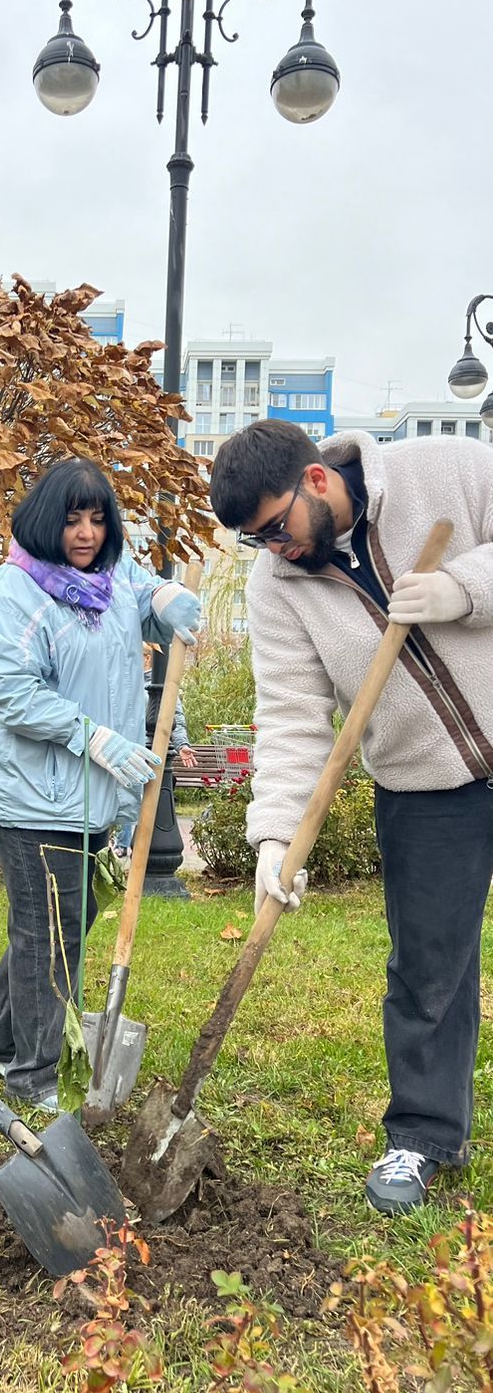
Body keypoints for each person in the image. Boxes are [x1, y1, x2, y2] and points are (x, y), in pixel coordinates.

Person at [208, 418, 493, 1216]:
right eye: (254, 542)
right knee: (426, 975)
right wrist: (272, 837)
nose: (274, 550)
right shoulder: (278, 588)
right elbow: (294, 715)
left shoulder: (451, 470)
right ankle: (427, 1135)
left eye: (275, 528)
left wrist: (465, 589)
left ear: (318, 481)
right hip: (425, 787)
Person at [0, 457, 201, 1110]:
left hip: (90, 796)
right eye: (72, 519)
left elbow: (145, 594)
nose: (87, 533)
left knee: (67, 918)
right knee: (51, 933)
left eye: (98, 518)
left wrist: (167, 600)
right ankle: (31, 1077)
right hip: (33, 794)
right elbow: (9, 692)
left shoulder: (113, 574)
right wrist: (91, 737)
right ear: (46, 520)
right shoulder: (16, 591)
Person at [114, 644, 196, 856]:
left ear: (148, 659)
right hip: (125, 750)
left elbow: (174, 717)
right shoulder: (125, 683)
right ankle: (122, 844)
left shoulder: (161, 686)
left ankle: (128, 846)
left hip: (149, 752)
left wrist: (182, 745)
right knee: (122, 795)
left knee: (136, 795)